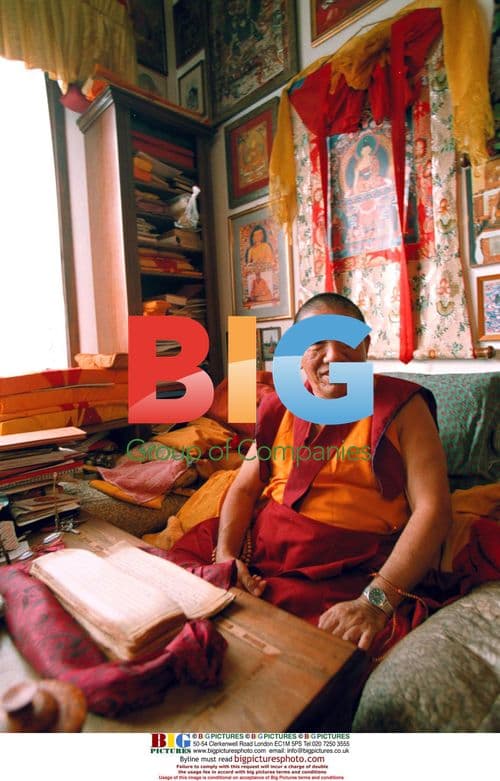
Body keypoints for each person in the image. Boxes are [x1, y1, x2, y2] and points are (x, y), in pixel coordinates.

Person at [167, 293, 496, 657]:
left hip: (346, 563)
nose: (334, 356)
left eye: (346, 341)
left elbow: (433, 511)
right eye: (316, 343)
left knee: (309, 647)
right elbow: (245, 489)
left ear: (366, 345)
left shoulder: (403, 407)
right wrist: (227, 555)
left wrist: (375, 602)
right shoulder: (279, 405)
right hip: (262, 544)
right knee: (170, 583)